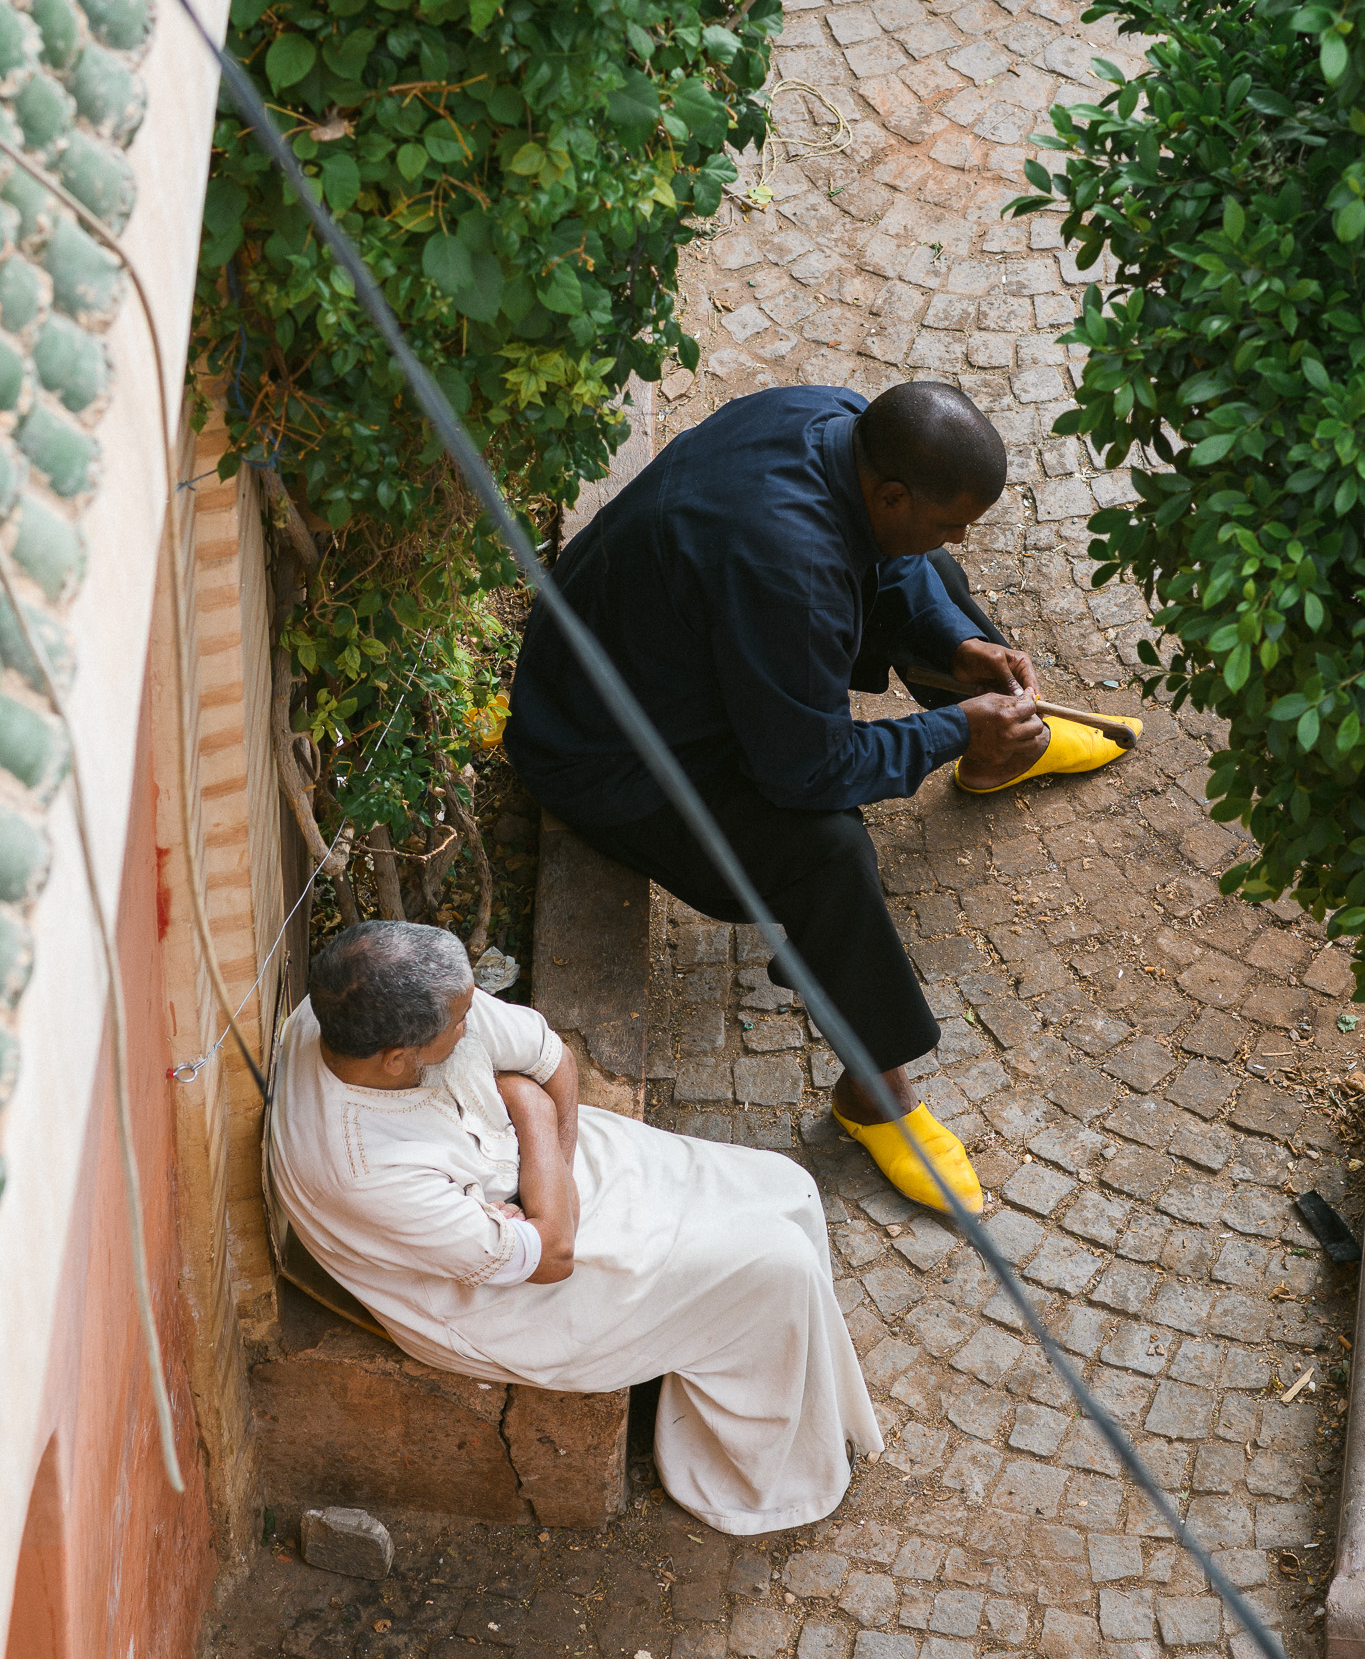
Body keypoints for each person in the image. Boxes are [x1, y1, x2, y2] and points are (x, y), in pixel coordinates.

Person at [505, 381, 1135, 1211]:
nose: (960, 534)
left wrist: (957, 642)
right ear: (890, 491)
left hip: (662, 651)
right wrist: (948, 729)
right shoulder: (786, 570)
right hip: (607, 748)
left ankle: (1004, 746)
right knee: (827, 850)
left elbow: (890, 560)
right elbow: (805, 772)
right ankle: (874, 1094)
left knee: (930, 573)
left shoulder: (831, 420)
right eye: (949, 517)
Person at [269, 920, 883, 1537]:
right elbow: (552, 1260)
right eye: (459, 1022)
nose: (472, 1018)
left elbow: (552, 1058)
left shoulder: (365, 999)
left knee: (786, 1186)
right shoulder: (361, 1169)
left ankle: (790, 1380)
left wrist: (553, 1176)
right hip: (489, 1301)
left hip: (535, 1177)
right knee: (778, 1266)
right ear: (399, 1059)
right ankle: (760, 1483)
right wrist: (531, 1109)